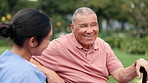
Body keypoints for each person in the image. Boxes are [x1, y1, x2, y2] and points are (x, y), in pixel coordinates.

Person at [31, 7, 148, 83]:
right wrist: (50, 73)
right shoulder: (59, 46)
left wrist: (136, 65)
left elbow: (121, 76)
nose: (90, 30)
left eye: (93, 25)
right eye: (83, 26)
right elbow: (28, 60)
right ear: (73, 28)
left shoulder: (103, 46)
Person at [0, 9, 53, 83]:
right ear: (33, 41)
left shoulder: (3, 60)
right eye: (48, 38)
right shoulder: (28, 75)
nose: (49, 43)